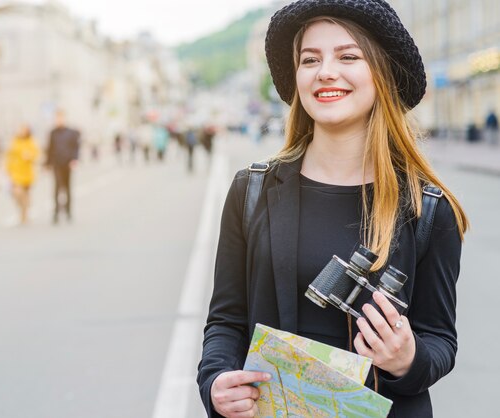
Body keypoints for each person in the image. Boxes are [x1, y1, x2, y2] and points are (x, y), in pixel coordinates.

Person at [197, 1, 469, 418]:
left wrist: (407, 360)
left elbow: (439, 341)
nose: (326, 71)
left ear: (381, 72)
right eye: (310, 59)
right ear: (297, 78)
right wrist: (216, 382)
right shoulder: (251, 190)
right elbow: (226, 321)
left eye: (348, 56)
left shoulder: (427, 209)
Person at [46, 109, 80, 224]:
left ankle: (68, 211)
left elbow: (75, 147)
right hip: (57, 163)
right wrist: (47, 163)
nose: (59, 120)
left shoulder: (71, 132)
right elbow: (49, 148)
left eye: (61, 118)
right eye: (57, 118)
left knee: (67, 188)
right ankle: (56, 212)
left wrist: (74, 159)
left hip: (67, 163)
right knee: (57, 189)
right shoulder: (53, 133)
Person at [6, 124, 40, 224]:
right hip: (16, 172)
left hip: (27, 173)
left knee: (26, 194)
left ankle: (25, 213)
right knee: (17, 193)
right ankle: (23, 208)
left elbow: (36, 155)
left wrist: (29, 156)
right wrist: (8, 169)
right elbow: (9, 156)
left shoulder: (31, 142)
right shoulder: (14, 141)